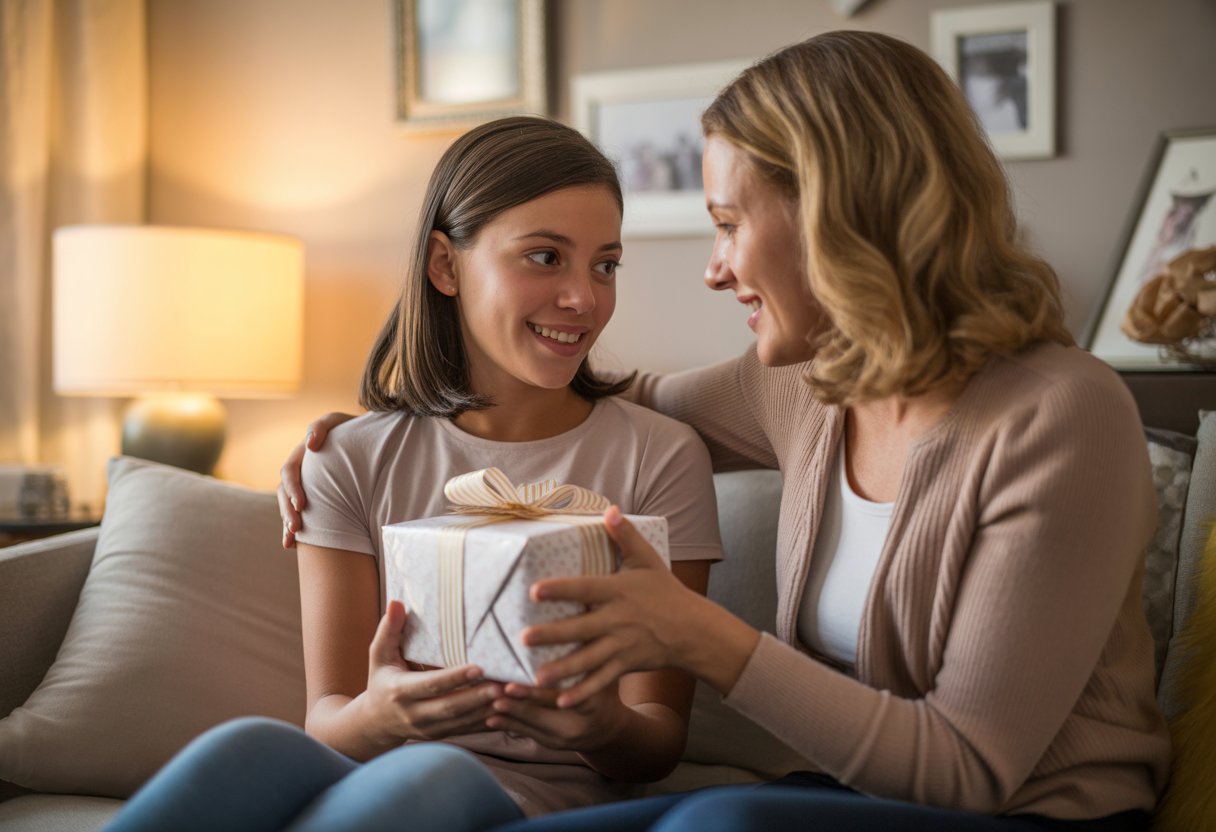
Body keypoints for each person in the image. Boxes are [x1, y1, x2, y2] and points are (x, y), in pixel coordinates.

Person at [280, 31, 1170, 832]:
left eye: (728, 225)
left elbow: (969, 771)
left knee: (715, 826)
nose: (714, 270)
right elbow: (595, 398)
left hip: (1036, 815)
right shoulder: (813, 385)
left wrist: (698, 634)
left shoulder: (1061, 413)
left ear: (835, 210)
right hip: (861, 804)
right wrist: (379, 427)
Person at [105, 116, 722, 832]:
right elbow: (327, 721)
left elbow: (655, 741)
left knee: (431, 773)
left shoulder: (660, 457)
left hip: (534, 806)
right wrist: (382, 711)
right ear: (444, 265)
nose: (584, 297)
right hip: (375, 772)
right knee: (250, 745)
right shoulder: (348, 459)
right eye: (546, 257)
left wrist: (598, 723)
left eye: (605, 264)